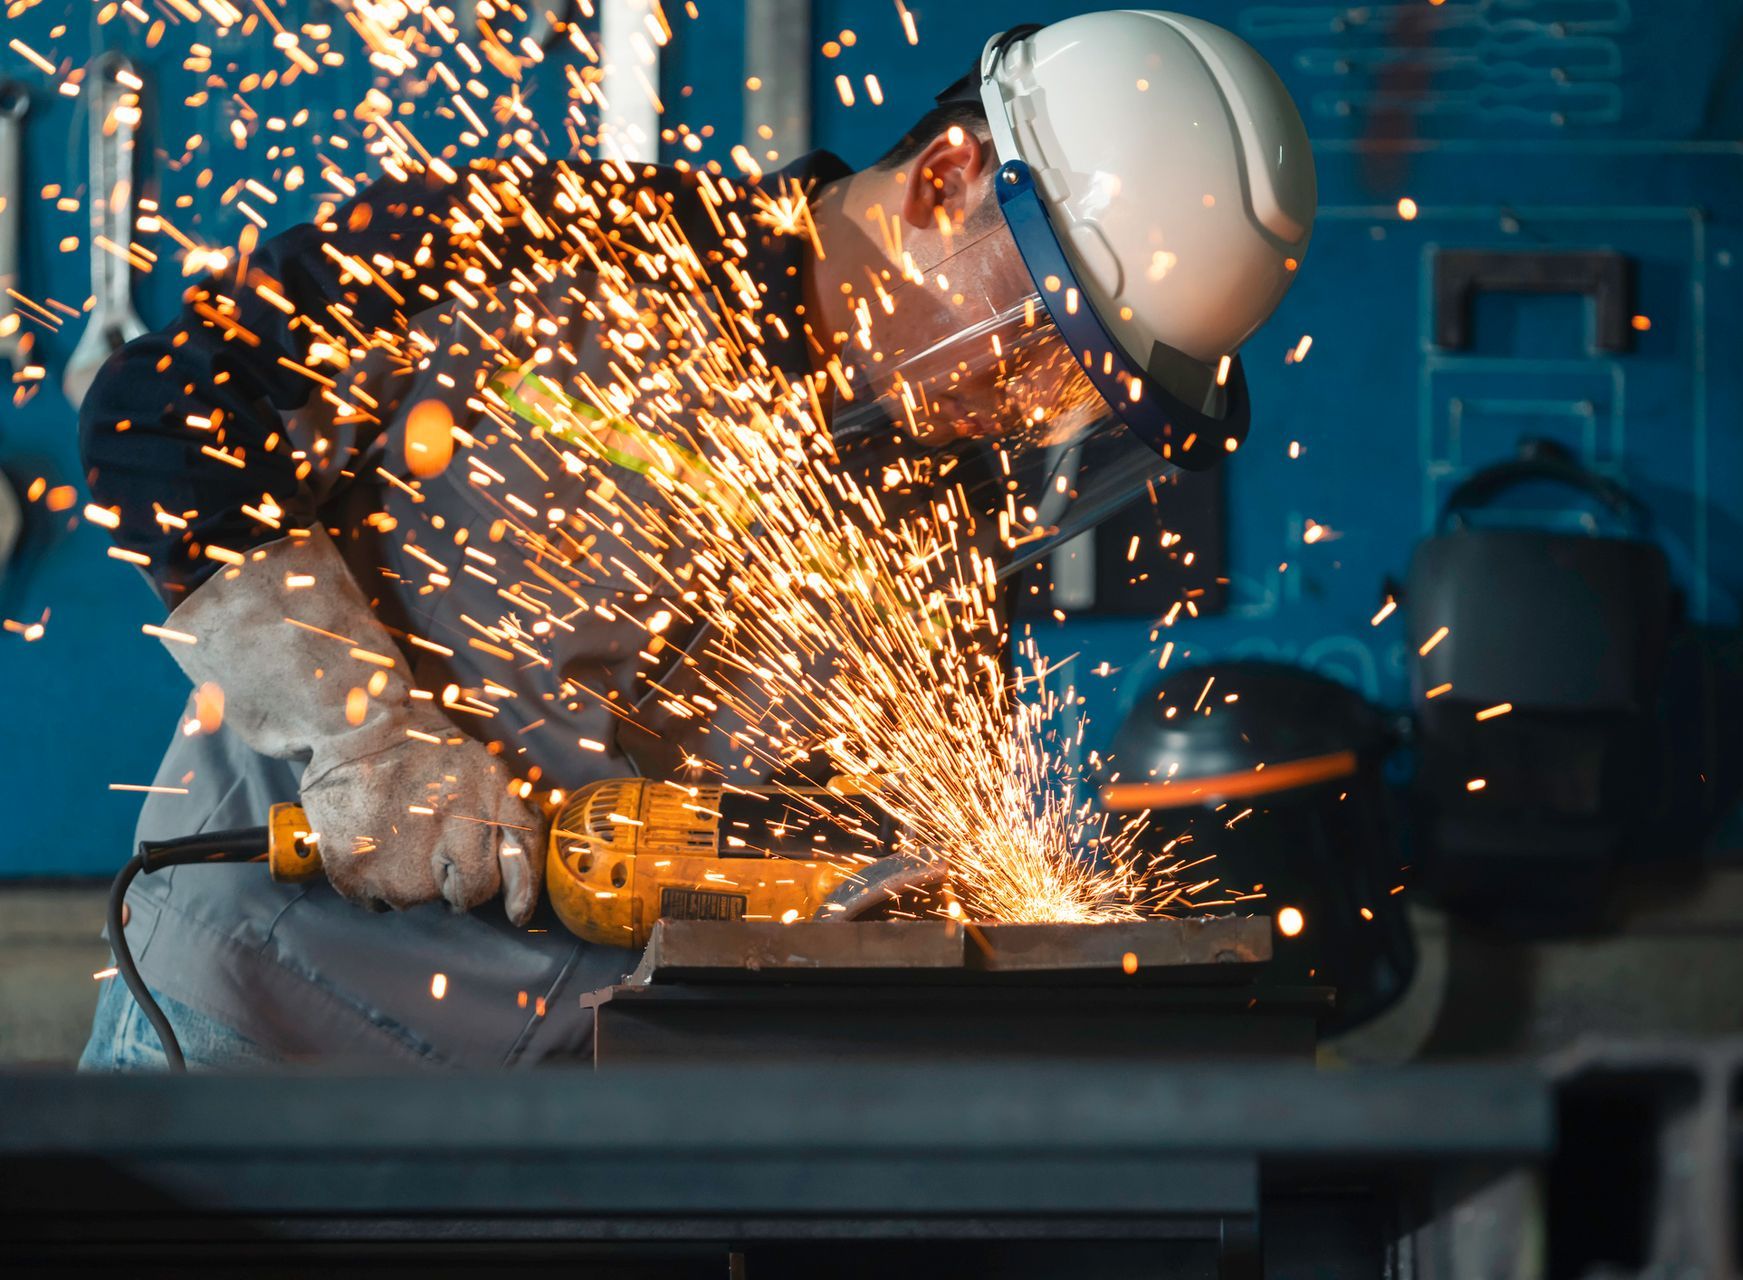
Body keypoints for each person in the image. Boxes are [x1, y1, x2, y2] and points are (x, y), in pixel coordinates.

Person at [76, 10, 1316, 1069]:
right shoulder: (560, 249)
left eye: (1081, 397)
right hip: (255, 1031)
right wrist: (365, 728)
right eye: (1046, 345)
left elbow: (864, 849)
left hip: (583, 1112)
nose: (1039, 409)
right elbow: (157, 416)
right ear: (948, 179)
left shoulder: (937, 522)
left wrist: (902, 906)